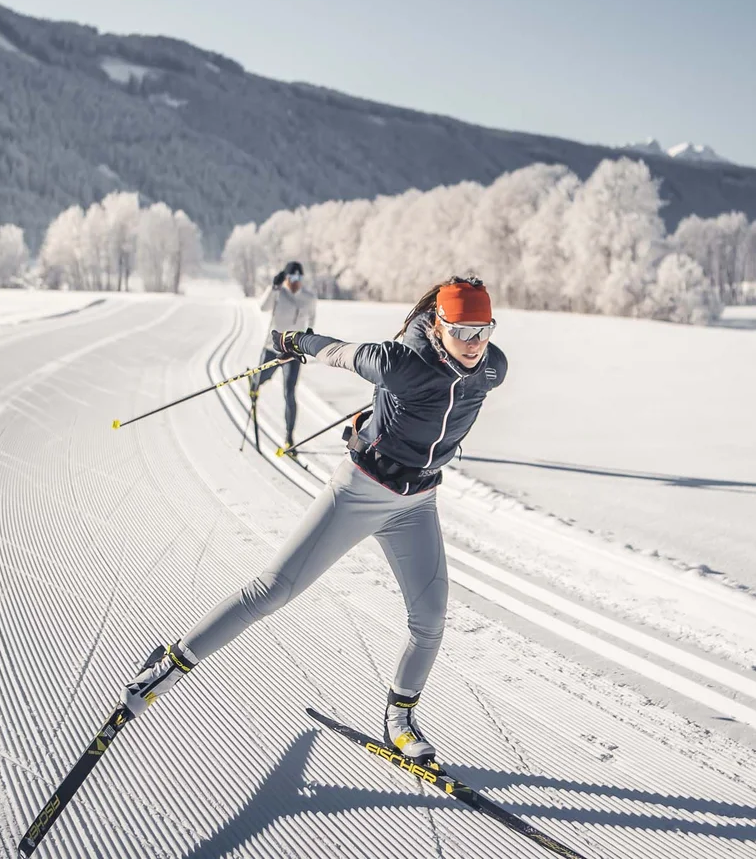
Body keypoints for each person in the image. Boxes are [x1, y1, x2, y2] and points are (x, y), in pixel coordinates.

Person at [122, 276, 506, 764]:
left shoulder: (493, 368)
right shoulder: (400, 363)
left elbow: (449, 404)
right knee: (273, 590)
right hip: (361, 492)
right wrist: (291, 343)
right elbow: (339, 352)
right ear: (437, 324)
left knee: (429, 620)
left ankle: (399, 719)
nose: (474, 344)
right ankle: (170, 665)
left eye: (483, 330)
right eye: (462, 331)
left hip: (417, 503)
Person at [251, 260, 317, 449]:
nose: (295, 281)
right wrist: (273, 287)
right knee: (260, 378)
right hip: (272, 348)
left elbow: (312, 317)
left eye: (298, 277)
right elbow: (262, 307)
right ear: (286, 277)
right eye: (291, 277)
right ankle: (254, 384)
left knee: (289, 392)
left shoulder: (309, 297)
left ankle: (289, 437)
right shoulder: (278, 293)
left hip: (293, 351)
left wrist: (310, 332)